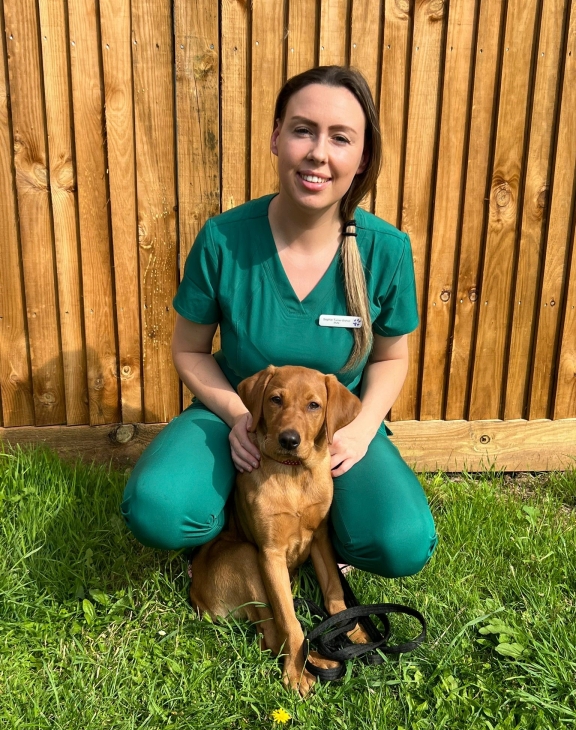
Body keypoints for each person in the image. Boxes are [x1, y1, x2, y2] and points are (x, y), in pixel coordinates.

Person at [121, 65, 437, 578]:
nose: (318, 152)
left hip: (333, 423)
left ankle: (325, 535)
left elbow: (392, 357)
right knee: (159, 509)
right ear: (275, 138)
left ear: (361, 159)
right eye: (302, 129)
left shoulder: (386, 250)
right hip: (240, 408)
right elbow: (190, 350)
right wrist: (236, 418)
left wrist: (360, 431)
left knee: (401, 542)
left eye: (340, 138)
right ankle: (239, 521)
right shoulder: (225, 239)